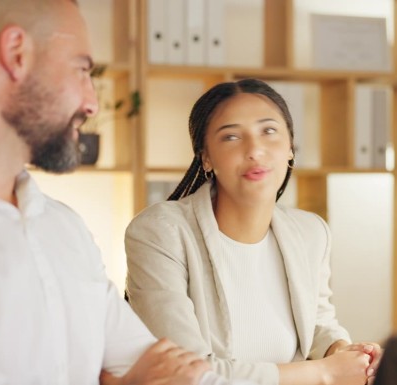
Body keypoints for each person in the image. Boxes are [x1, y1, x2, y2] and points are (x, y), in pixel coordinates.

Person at [0, 1, 256, 384]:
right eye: (82, 70)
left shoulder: (64, 227)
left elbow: (179, 372)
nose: (92, 103)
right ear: (16, 54)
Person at [125, 79, 382, 385]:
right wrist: (325, 373)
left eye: (269, 131)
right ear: (206, 157)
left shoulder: (311, 232)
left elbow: (316, 324)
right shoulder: (160, 233)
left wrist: (348, 352)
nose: (255, 149)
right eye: (231, 136)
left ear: (290, 147)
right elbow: (184, 374)